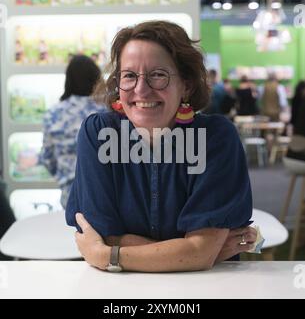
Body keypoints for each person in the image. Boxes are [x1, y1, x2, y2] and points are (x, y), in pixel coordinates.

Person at [66, 21, 256, 273]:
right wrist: (193, 252)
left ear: (186, 85)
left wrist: (107, 255)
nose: (141, 90)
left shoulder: (216, 138)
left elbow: (103, 245)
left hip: (203, 290)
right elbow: (102, 233)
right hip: (121, 292)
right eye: (129, 75)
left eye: (158, 75)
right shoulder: (98, 133)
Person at [39, 55, 106, 209]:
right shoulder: (107, 111)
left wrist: (65, 176)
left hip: (69, 195)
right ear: (97, 79)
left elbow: (47, 158)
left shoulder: (53, 113)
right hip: (105, 196)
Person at [286, 80, 305, 161]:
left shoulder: (295, 99)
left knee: (297, 144)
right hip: (301, 126)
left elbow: (293, 113)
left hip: (297, 125)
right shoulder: (302, 101)